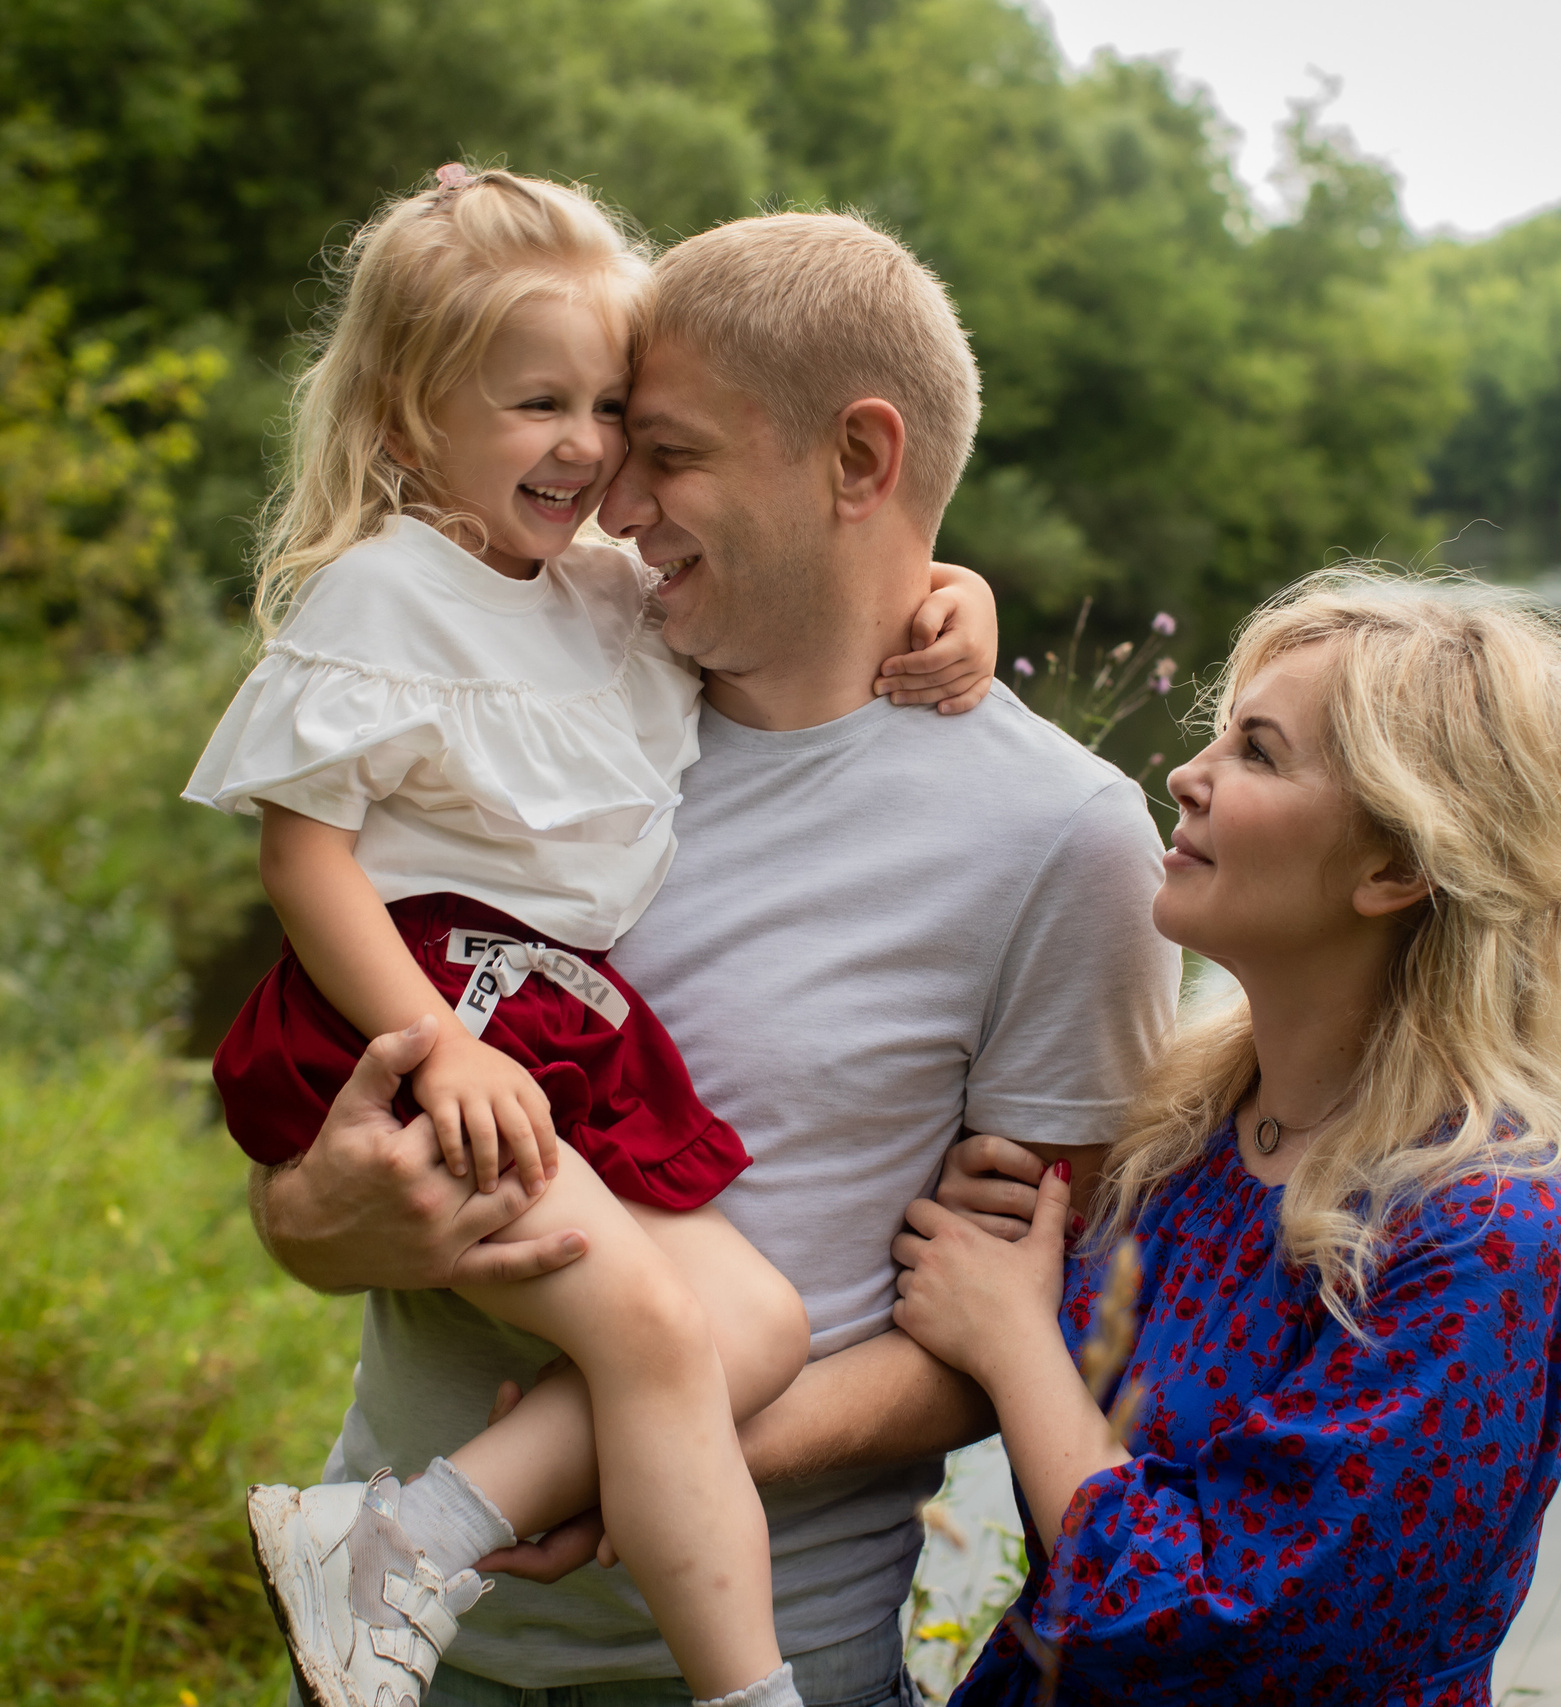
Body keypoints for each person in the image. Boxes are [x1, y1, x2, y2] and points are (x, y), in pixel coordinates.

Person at [248, 209, 1184, 1705]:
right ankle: (382, 1550)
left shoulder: (1065, 843)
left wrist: (648, 1440)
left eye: (658, 446)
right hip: (392, 1667)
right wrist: (323, 1216)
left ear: (860, 463)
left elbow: (1032, 1337)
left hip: (737, 1657)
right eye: (591, 425)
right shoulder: (550, 705)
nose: (607, 493)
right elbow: (305, 1202)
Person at [890, 569, 1561, 1704]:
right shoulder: (1185, 1127)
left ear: (1395, 867)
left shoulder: (1480, 1226)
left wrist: (1013, 1340)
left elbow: (1225, 1632)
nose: (1183, 776)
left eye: (1255, 751)